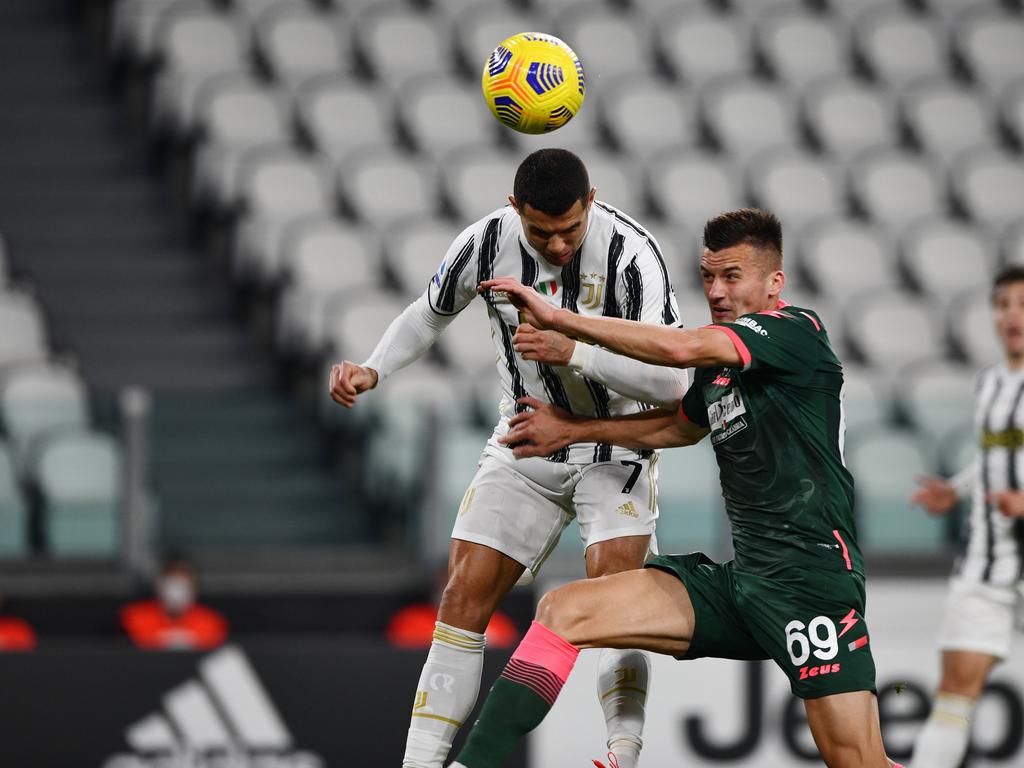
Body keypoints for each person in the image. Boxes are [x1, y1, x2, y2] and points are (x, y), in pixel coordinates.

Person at [448, 208, 902, 768]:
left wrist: (562, 321)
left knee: (857, 761)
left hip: (810, 582)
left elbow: (682, 348)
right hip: (743, 582)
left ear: (774, 282)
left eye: (732, 276)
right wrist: (573, 430)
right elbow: (676, 427)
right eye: (708, 276)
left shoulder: (796, 333)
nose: (715, 289)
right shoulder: (720, 369)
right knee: (562, 611)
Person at [328, 148, 689, 768]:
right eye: (540, 232)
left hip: (617, 441)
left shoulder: (633, 255)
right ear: (513, 207)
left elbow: (673, 385)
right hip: (526, 438)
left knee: (614, 600)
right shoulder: (484, 243)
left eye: (570, 230)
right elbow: (428, 314)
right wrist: (373, 368)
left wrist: (573, 351)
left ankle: (622, 756)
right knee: (462, 597)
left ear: (592, 202)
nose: (556, 245)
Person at [907, 266, 1024, 768]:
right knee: (954, 694)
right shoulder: (991, 383)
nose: (1011, 314)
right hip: (986, 563)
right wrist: (954, 491)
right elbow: (992, 456)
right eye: (1002, 304)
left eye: (1022, 303)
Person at [121, 558, 228, 651]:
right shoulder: (134, 617)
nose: (176, 588)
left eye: (183, 580)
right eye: (171, 578)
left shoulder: (211, 622)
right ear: (159, 583)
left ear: (194, 587)